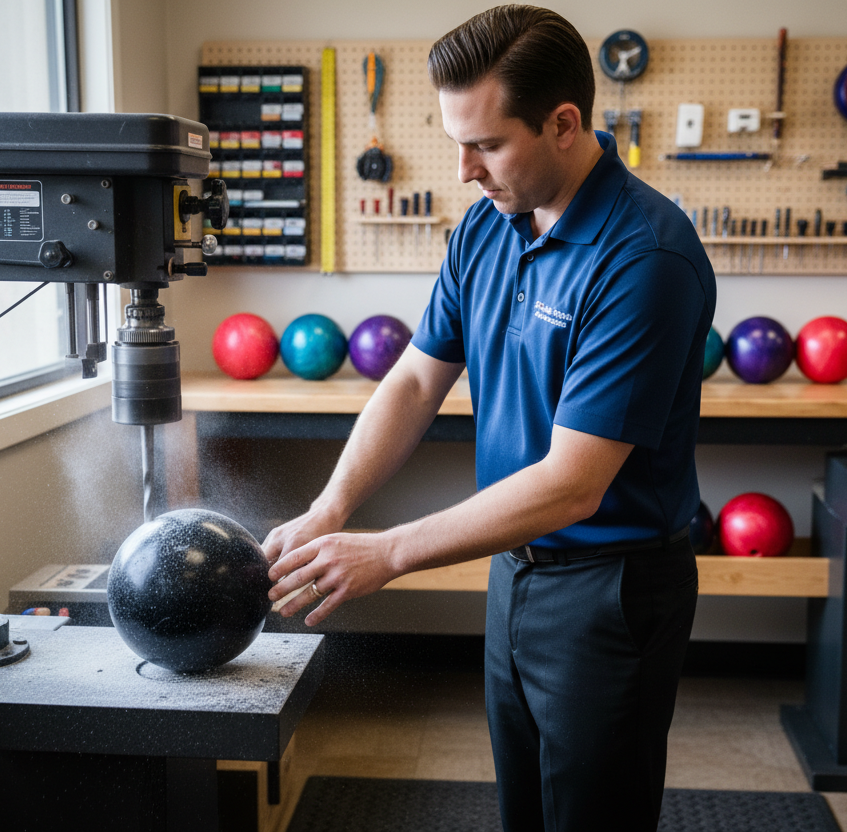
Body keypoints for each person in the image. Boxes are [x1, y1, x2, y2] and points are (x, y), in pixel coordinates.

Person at [263, 6, 716, 830]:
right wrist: (332, 508)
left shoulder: (645, 257)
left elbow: (574, 486)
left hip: (608, 590)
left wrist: (391, 551)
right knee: (524, 812)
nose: (465, 169)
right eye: (454, 142)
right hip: (515, 571)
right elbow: (412, 380)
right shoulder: (486, 227)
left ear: (564, 124)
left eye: (487, 144)